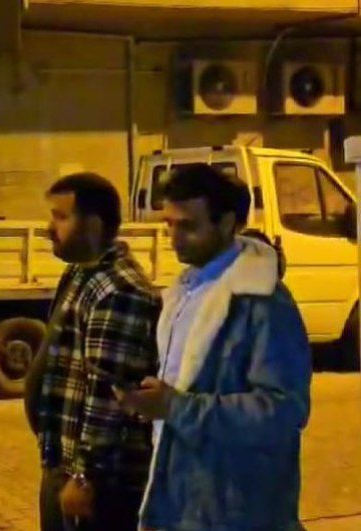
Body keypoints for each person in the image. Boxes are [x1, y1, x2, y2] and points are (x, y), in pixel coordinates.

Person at [118, 164, 312, 531]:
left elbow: (284, 412)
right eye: (169, 225)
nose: (174, 238)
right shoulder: (184, 291)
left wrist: (176, 407)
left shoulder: (262, 301)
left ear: (226, 224)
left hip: (238, 512)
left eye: (188, 226)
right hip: (183, 504)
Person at [24, 174, 160, 531]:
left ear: (94, 224)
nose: (49, 228)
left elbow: (109, 395)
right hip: (63, 463)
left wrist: (86, 477)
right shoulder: (81, 274)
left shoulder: (119, 290)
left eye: (61, 217)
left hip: (97, 487)